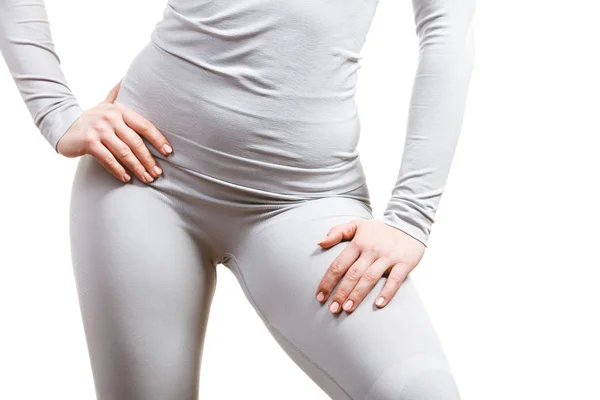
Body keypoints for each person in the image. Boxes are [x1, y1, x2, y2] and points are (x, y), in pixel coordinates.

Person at [0, 0, 475, 398]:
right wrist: (55, 112)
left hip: (307, 201)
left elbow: (446, 31)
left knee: (421, 389)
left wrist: (411, 216)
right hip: (144, 176)